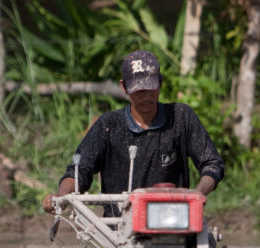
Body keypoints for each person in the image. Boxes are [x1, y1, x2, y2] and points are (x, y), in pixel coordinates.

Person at [42, 50, 224, 214]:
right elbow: (78, 172)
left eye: (151, 88)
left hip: (172, 218)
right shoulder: (108, 125)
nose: (146, 96)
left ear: (160, 83)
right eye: (139, 90)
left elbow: (212, 164)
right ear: (124, 87)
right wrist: (61, 197)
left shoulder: (180, 118)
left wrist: (197, 196)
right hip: (118, 228)